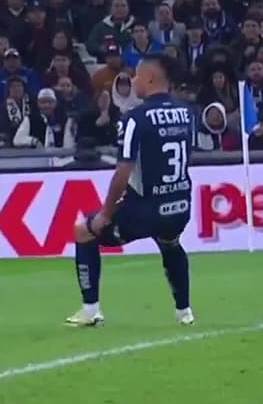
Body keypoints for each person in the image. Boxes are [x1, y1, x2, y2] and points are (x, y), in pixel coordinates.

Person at [66, 52, 196, 327]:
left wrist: (106, 213)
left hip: (145, 210)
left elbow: (123, 171)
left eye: (136, 75)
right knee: (170, 242)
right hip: (180, 204)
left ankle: (90, 310)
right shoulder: (186, 113)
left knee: (83, 230)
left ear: (150, 78)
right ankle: (184, 312)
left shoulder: (135, 118)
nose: (133, 80)